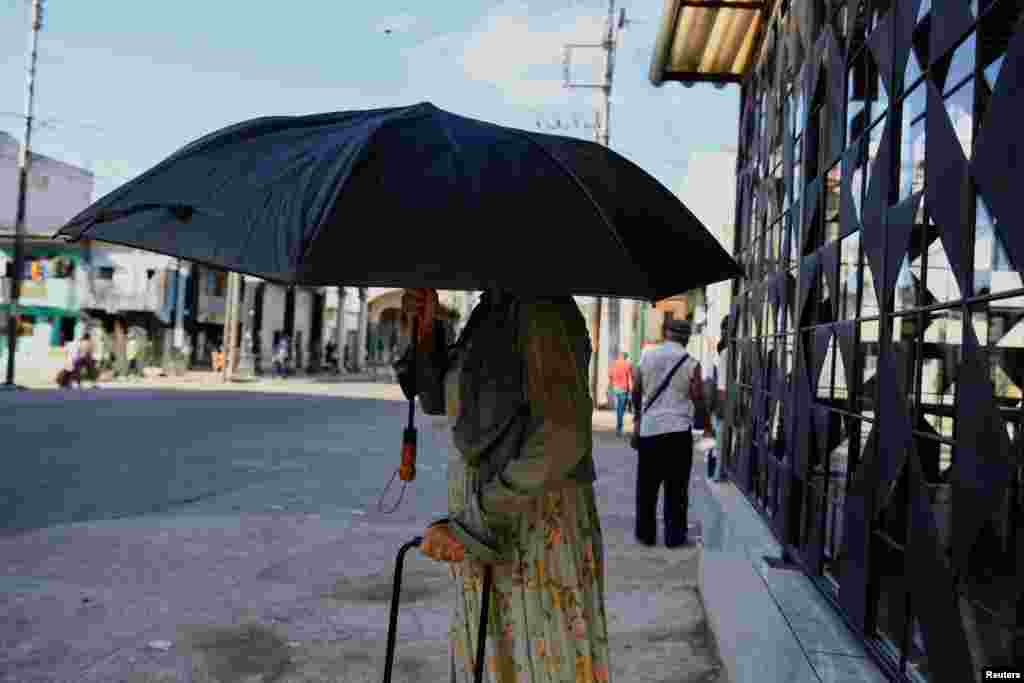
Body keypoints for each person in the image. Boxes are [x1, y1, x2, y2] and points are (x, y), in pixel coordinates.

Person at [396, 288, 611, 683]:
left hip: (531, 528)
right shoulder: (492, 307)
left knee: (537, 666)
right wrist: (425, 334)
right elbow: (442, 400)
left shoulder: (541, 307)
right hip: (491, 527)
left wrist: (476, 519)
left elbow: (563, 435)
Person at [631, 319, 704, 548]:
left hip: (650, 429)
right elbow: (697, 395)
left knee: (647, 486)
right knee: (677, 488)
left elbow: (636, 389)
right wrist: (704, 421)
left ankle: (646, 535)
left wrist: (637, 418)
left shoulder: (647, 355)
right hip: (678, 431)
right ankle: (674, 537)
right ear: (686, 337)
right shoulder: (691, 363)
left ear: (666, 333)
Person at [709, 315, 731, 481]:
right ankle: (720, 472)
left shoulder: (725, 352)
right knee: (723, 441)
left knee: (720, 442)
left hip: (724, 404)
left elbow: (722, 386)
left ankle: (718, 473)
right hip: (729, 403)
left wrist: (720, 410)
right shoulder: (728, 351)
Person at [608, 351, 633, 436]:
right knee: (621, 409)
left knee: (619, 408)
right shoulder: (627, 365)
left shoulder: (613, 364)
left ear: (619, 356)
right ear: (625, 357)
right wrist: (631, 389)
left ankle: (619, 428)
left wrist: (610, 386)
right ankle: (619, 428)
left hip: (615, 388)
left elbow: (610, 375)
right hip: (623, 388)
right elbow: (629, 378)